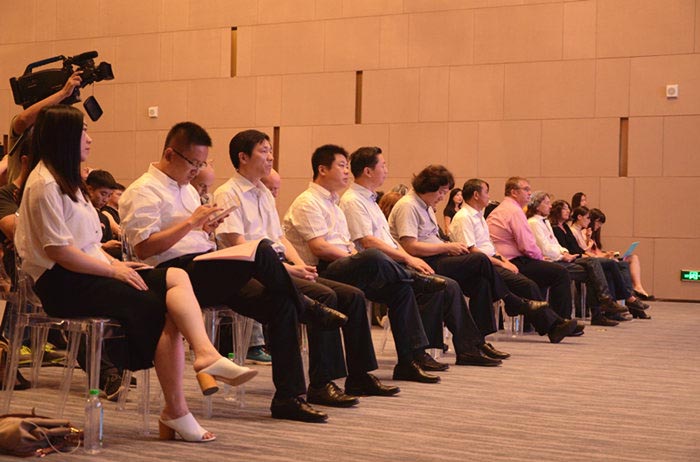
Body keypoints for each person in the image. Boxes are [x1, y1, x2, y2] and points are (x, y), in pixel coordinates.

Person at [16, 105, 259, 442]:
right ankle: (176, 410)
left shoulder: (68, 182)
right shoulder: (44, 184)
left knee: (175, 277)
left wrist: (116, 264)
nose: (89, 138)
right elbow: (60, 252)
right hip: (62, 282)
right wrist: (111, 270)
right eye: (83, 131)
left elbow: (88, 244)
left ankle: (205, 355)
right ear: (63, 136)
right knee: (160, 305)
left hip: (88, 271)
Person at [119, 121, 345, 423]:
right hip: (173, 275)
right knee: (260, 249)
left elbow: (193, 235)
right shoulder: (143, 190)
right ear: (171, 154)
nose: (196, 171)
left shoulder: (187, 189)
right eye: (193, 163)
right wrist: (191, 223)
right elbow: (144, 248)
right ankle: (307, 306)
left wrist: (205, 228)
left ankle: (289, 399)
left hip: (204, 266)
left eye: (201, 164)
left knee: (282, 304)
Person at [214, 130, 397, 405]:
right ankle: (322, 383)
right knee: (325, 296)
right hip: (251, 272)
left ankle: (359, 376)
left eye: (271, 150)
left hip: (281, 267)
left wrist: (300, 266)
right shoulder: (228, 193)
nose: (270, 157)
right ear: (243, 157)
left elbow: (280, 239)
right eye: (264, 151)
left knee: (353, 296)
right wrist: (288, 270)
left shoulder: (263, 193)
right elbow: (241, 248)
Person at [283, 144, 444, 384]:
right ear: (322, 169)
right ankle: (411, 276)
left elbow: (348, 243)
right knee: (373, 255)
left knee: (400, 290)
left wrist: (352, 256)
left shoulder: (333, 203)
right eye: (341, 166)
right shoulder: (308, 202)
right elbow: (320, 248)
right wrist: (353, 258)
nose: (347, 171)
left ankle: (408, 362)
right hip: (320, 269)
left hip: (343, 264)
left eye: (347, 166)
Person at [341, 148, 509, 367]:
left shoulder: (371, 200)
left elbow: (392, 243)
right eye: (383, 165)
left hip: (397, 261)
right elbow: (371, 243)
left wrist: (440, 249)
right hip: (378, 266)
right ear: (368, 171)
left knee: (477, 282)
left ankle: (471, 345)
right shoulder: (358, 200)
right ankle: (509, 303)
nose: (386, 170)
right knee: (468, 268)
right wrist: (410, 258)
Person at [388, 167, 577, 345]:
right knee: (483, 262)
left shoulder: (427, 206)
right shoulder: (409, 206)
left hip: (440, 257)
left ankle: (477, 342)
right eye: (441, 192)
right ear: (429, 187)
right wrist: (448, 247)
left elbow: (437, 240)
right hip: (422, 262)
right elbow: (410, 246)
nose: (443, 197)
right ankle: (513, 302)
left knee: (482, 283)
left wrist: (448, 246)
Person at [450, 179, 582, 341]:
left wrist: (503, 261)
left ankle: (552, 322)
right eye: (526, 189)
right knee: (536, 281)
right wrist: (504, 262)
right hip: (481, 264)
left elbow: (491, 247)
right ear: (476, 195)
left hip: (495, 259)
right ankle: (552, 323)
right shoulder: (465, 217)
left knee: (534, 280)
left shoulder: (480, 216)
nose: (529, 193)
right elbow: (472, 251)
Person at [526, 192, 630, 326]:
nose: (550, 206)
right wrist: (563, 255)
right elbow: (545, 248)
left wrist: (565, 252)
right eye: (546, 203)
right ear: (537, 206)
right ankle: (604, 303)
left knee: (595, 271)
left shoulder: (545, 222)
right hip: (552, 261)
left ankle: (601, 309)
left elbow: (556, 244)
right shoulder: (534, 222)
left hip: (562, 257)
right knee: (594, 267)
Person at [486, 177, 574, 319]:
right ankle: (562, 319)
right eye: (526, 189)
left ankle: (540, 320)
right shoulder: (514, 211)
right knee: (560, 273)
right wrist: (540, 258)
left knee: (545, 273)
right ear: (514, 192)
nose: (529, 193)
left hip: (506, 259)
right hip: (510, 261)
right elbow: (526, 246)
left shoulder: (504, 208)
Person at [549, 201, 650, 319]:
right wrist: (588, 251)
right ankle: (625, 298)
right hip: (569, 259)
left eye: (568, 208)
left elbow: (576, 249)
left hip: (577, 257)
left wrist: (589, 252)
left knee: (610, 267)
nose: (568, 211)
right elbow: (567, 250)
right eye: (565, 208)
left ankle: (611, 309)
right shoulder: (557, 228)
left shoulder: (565, 227)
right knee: (607, 264)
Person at [589, 208, 654, 301]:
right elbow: (589, 253)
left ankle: (638, 287)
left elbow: (597, 251)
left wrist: (607, 253)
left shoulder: (593, 236)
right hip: (596, 261)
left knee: (633, 258)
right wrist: (606, 255)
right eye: (598, 222)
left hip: (601, 258)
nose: (599, 226)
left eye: (600, 223)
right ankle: (629, 294)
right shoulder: (586, 234)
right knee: (623, 265)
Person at [86, 170, 122, 259]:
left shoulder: (104, 218)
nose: (106, 199)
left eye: (109, 195)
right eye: (103, 194)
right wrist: (104, 246)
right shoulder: (80, 213)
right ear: (90, 190)